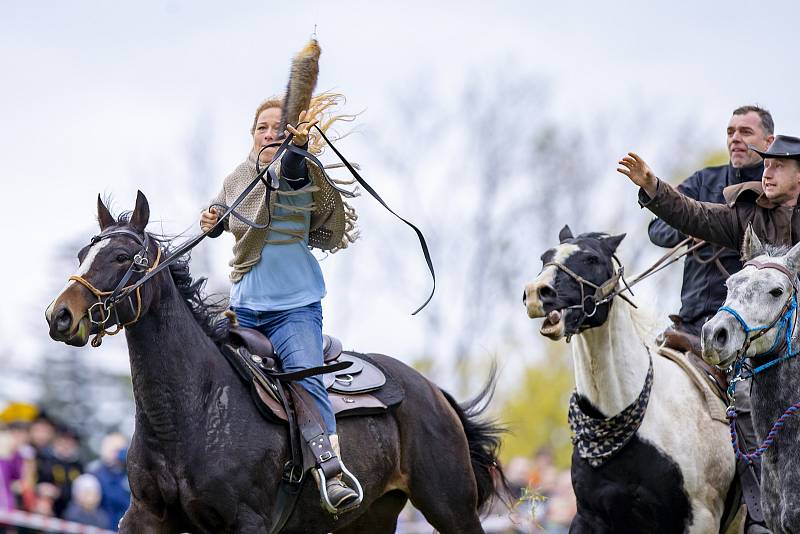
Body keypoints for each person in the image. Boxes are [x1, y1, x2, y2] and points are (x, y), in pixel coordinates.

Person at [619, 135, 800, 534]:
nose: (765, 172)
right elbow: (693, 215)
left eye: (777, 166)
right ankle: (758, 516)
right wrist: (653, 187)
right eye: (765, 165)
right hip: (761, 358)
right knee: (744, 405)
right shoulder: (746, 217)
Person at [200, 94, 360, 512]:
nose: (269, 134)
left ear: (293, 132)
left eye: (278, 128)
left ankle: (331, 471)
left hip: (294, 308)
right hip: (244, 307)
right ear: (252, 135)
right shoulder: (238, 177)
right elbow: (223, 211)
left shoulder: (301, 170)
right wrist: (212, 219)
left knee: (305, 379)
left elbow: (288, 176)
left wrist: (296, 150)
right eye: (262, 128)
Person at [649, 106, 774, 340]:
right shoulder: (702, 181)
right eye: (730, 132)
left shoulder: (777, 192)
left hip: (753, 330)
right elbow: (656, 230)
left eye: (745, 132)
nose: (735, 138)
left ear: (769, 142)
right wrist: (690, 228)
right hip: (692, 322)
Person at [88, 432, 130, 530]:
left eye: (120, 450)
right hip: (103, 526)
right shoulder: (95, 474)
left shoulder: (129, 474)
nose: (117, 454)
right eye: (113, 449)